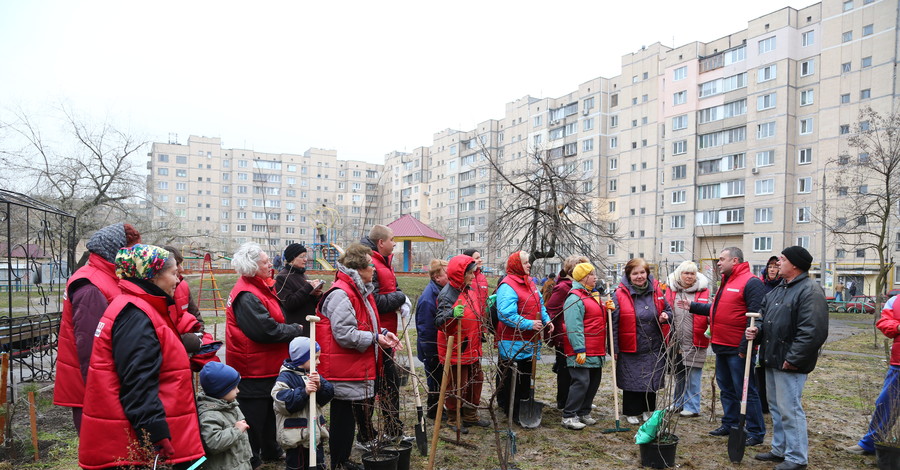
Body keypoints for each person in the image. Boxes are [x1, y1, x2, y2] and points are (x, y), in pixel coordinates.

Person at [78, 244, 204, 469]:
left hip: (162, 424)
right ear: (152, 276)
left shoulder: (140, 306)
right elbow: (138, 382)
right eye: (174, 273)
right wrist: (155, 435)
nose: (178, 280)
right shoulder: (135, 314)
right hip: (148, 439)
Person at [316, 243, 401, 470]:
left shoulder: (360, 291)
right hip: (343, 367)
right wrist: (374, 338)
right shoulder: (342, 294)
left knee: (348, 416)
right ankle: (339, 461)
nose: (374, 269)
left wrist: (383, 333)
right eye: (370, 265)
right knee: (343, 415)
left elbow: (365, 324)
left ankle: (342, 459)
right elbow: (344, 334)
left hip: (353, 365)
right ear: (358, 268)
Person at [746, 246, 829, 470]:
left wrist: (793, 359)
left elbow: (813, 331)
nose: (777, 264)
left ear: (794, 264)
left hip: (789, 363)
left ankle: (797, 457)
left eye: (782, 260)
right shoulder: (778, 290)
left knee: (790, 409)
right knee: (776, 407)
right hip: (772, 358)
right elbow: (765, 319)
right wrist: (757, 331)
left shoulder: (810, 291)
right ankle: (780, 449)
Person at [54, 223, 141, 433]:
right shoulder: (91, 286)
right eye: (132, 251)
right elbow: (91, 347)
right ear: (116, 251)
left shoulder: (108, 276)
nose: (135, 257)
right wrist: (102, 393)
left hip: (105, 385)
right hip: (94, 390)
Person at [676, 247, 766, 446]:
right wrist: (692, 307)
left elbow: (756, 318)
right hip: (721, 345)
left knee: (745, 390)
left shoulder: (751, 283)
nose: (718, 263)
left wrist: (744, 347)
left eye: (722, 259)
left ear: (735, 260)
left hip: (738, 348)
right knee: (726, 388)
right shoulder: (727, 281)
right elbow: (718, 309)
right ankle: (730, 423)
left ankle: (755, 431)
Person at [226, 242, 305, 468]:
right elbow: (264, 330)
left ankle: (270, 449)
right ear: (252, 267)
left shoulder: (259, 287)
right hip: (253, 367)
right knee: (254, 415)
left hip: (265, 364)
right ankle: (251, 457)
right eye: (265, 262)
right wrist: (293, 330)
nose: (271, 264)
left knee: (270, 410)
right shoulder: (247, 294)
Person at [360, 225, 411, 441]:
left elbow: (394, 289)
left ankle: (393, 430)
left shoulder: (385, 263)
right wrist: (400, 299)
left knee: (390, 384)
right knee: (374, 386)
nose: (395, 244)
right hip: (374, 335)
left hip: (388, 335)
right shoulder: (369, 263)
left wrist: (400, 295)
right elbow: (377, 301)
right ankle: (367, 434)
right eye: (392, 240)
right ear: (381, 242)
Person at [610, 258, 671, 425]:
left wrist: (667, 316)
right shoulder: (619, 295)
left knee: (651, 378)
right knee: (632, 379)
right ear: (629, 275)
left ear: (647, 273)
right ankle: (631, 411)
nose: (639, 276)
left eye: (642, 272)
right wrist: (614, 347)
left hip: (654, 344)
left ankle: (647, 410)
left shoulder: (656, 291)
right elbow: (613, 324)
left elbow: (668, 309)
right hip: (631, 344)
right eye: (635, 273)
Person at [495, 251, 553, 422]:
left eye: (529, 262)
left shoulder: (530, 283)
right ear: (516, 265)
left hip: (529, 341)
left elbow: (540, 304)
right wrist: (529, 324)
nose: (529, 265)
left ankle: (523, 409)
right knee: (513, 380)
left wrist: (547, 320)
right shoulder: (508, 286)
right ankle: (511, 411)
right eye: (526, 262)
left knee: (526, 377)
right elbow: (505, 314)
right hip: (512, 341)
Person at [434, 254, 489, 433]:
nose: (474, 277)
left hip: (472, 344)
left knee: (476, 380)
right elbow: (439, 321)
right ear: (460, 274)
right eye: (470, 273)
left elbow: (474, 312)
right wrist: (451, 314)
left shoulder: (469, 289)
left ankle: (470, 415)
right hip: (456, 347)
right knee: (457, 384)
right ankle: (453, 418)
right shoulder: (447, 294)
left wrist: (487, 307)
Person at [846, 292, 900, 456]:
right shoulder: (895, 301)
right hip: (899, 364)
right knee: (886, 404)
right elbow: (884, 323)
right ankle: (870, 443)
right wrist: (897, 327)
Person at [272, 337, 335, 470]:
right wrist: (304, 392)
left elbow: (326, 396)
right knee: (297, 466)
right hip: (296, 436)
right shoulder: (286, 377)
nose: (319, 361)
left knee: (318, 465)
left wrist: (320, 387)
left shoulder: (312, 373)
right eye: (315, 358)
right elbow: (282, 403)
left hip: (314, 433)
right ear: (302, 358)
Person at [560, 263, 607, 430]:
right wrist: (579, 349)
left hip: (596, 348)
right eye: (591, 274)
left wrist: (606, 310)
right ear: (582, 277)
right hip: (581, 349)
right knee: (581, 382)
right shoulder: (575, 297)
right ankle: (569, 415)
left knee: (593, 382)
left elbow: (595, 321)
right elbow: (574, 326)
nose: (595, 277)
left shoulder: (591, 295)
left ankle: (583, 412)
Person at [664, 260, 710, 418]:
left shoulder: (703, 291)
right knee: (679, 373)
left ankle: (692, 405)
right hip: (676, 340)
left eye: (692, 273)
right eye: (686, 273)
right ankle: (678, 402)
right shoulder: (671, 291)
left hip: (695, 339)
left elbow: (710, 312)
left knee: (694, 373)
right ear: (679, 274)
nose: (689, 276)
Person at [545, 255, 590, 410]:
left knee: (575, 371)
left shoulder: (582, 288)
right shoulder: (564, 287)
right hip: (564, 337)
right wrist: (554, 334)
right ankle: (563, 402)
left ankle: (575, 400)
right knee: (565, 372)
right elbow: (551, 309)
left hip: (576, 335)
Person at [197, 362, 252, 470]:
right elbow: (213, 443)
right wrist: (236, 430)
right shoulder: (209, 415)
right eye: (234, 388)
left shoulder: (229, 404)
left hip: (239, 463)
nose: (238, 390)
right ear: (221, 390)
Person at [416, 259, 449, 419]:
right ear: (437, 277)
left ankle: (439, 408)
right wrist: (432, 353)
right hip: (432, 349)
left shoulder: (442, 292)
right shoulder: (429, 298)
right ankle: (433, 411)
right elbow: (426, 329)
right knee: (434, 379)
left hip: (440, 347)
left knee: (440, 378)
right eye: (446, 273)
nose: (450, 276)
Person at [275, 243, 326, 335]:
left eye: (305, 256)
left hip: (309, 325)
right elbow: (289, 303)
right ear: (292, 258)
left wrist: (317, 294)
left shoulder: (302, 275)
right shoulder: (282, 277)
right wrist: (309, 287)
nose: (305, 260)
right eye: (302, 257)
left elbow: (307, 299)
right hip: (296, 328)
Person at [163, 245, 204, 354]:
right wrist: (188, 341)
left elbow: (196, 316)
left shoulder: (183, 286)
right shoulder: (155, 295)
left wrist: (197, 336)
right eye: (177, 265)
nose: (182, 269)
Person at [756, 255, 781, 414]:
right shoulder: (761, 285)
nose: (772, 270)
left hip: (775, 332)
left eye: (776, 267)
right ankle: (762, 402)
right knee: (759, 368)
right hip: (761, 330)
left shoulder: (782, 286)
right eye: (770, 267)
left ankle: (774, 403)